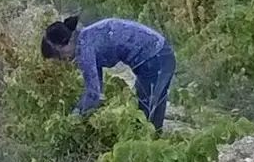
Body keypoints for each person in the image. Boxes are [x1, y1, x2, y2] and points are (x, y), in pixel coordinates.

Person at [41, 15, 175, 132]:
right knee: (153, 116)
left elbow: (93, 95)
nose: (63, 61)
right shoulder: (87, 36)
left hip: (154, 60)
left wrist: (73, 117)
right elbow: (95, 88)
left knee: (143, 122)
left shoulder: (84, 50)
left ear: (67, 42)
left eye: (59, 56)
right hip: (163, 53)